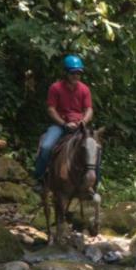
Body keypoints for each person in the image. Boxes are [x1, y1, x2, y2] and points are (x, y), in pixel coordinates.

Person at [34, 54, 94, 184]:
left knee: (94, 148)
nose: (76, 76)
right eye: (73, 73)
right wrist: (64, 123)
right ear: (66, 73)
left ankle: (93, 183)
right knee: (46, 147)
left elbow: (89, 109)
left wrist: (83, 121)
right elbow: (51, 109)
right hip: (60, 125)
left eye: (78, 73)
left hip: (79, 125)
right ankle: (39, 179)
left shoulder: (84, 89)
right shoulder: (55, 88)